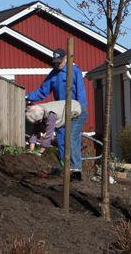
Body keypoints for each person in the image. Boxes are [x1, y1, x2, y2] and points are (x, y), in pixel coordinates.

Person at [26, 48, 88, 181]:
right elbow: (42, 91)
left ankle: (76, 171)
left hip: (75, 111)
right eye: (55, 62)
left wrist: (81, 109)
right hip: (61, 114)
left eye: (59, 62)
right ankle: (67, 169)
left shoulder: (74, 71)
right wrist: (27, 96)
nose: (57, 64)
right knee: (61, 140)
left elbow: (81, 92)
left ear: (66, 59)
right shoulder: (53, 75)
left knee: (71, 137)